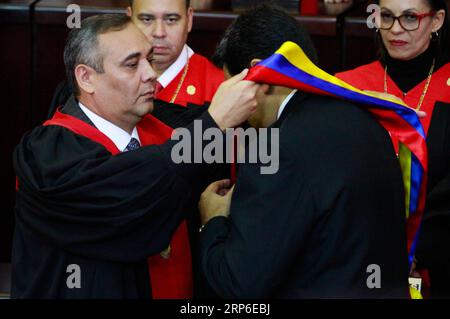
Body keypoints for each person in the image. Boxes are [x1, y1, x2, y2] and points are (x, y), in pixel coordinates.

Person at [12, 14, 261, 299]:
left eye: (150, 60)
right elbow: (128, 194)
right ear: (87, 77)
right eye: (132, 65)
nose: (151, 74)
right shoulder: (48, 154)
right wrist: (212, 125)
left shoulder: (165, 131)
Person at [197, 4, 410, 298]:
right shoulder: (366, 117)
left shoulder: (276, 148)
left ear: (260, 76)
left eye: (232, 87)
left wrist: (213, 221)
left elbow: (238, 284)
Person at [336, 0, 450, 298]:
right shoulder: (347, 87)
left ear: (437, 20)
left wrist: (417, 251)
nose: (395, 29)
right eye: (386, 16)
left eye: (410, 17)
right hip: (358, 260)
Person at [127, 0, 224, 108]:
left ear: (189, 19)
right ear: (129, 20)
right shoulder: (108, 79)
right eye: (147, 19)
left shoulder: (219, 88)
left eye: (171, 20)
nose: (159, 33)